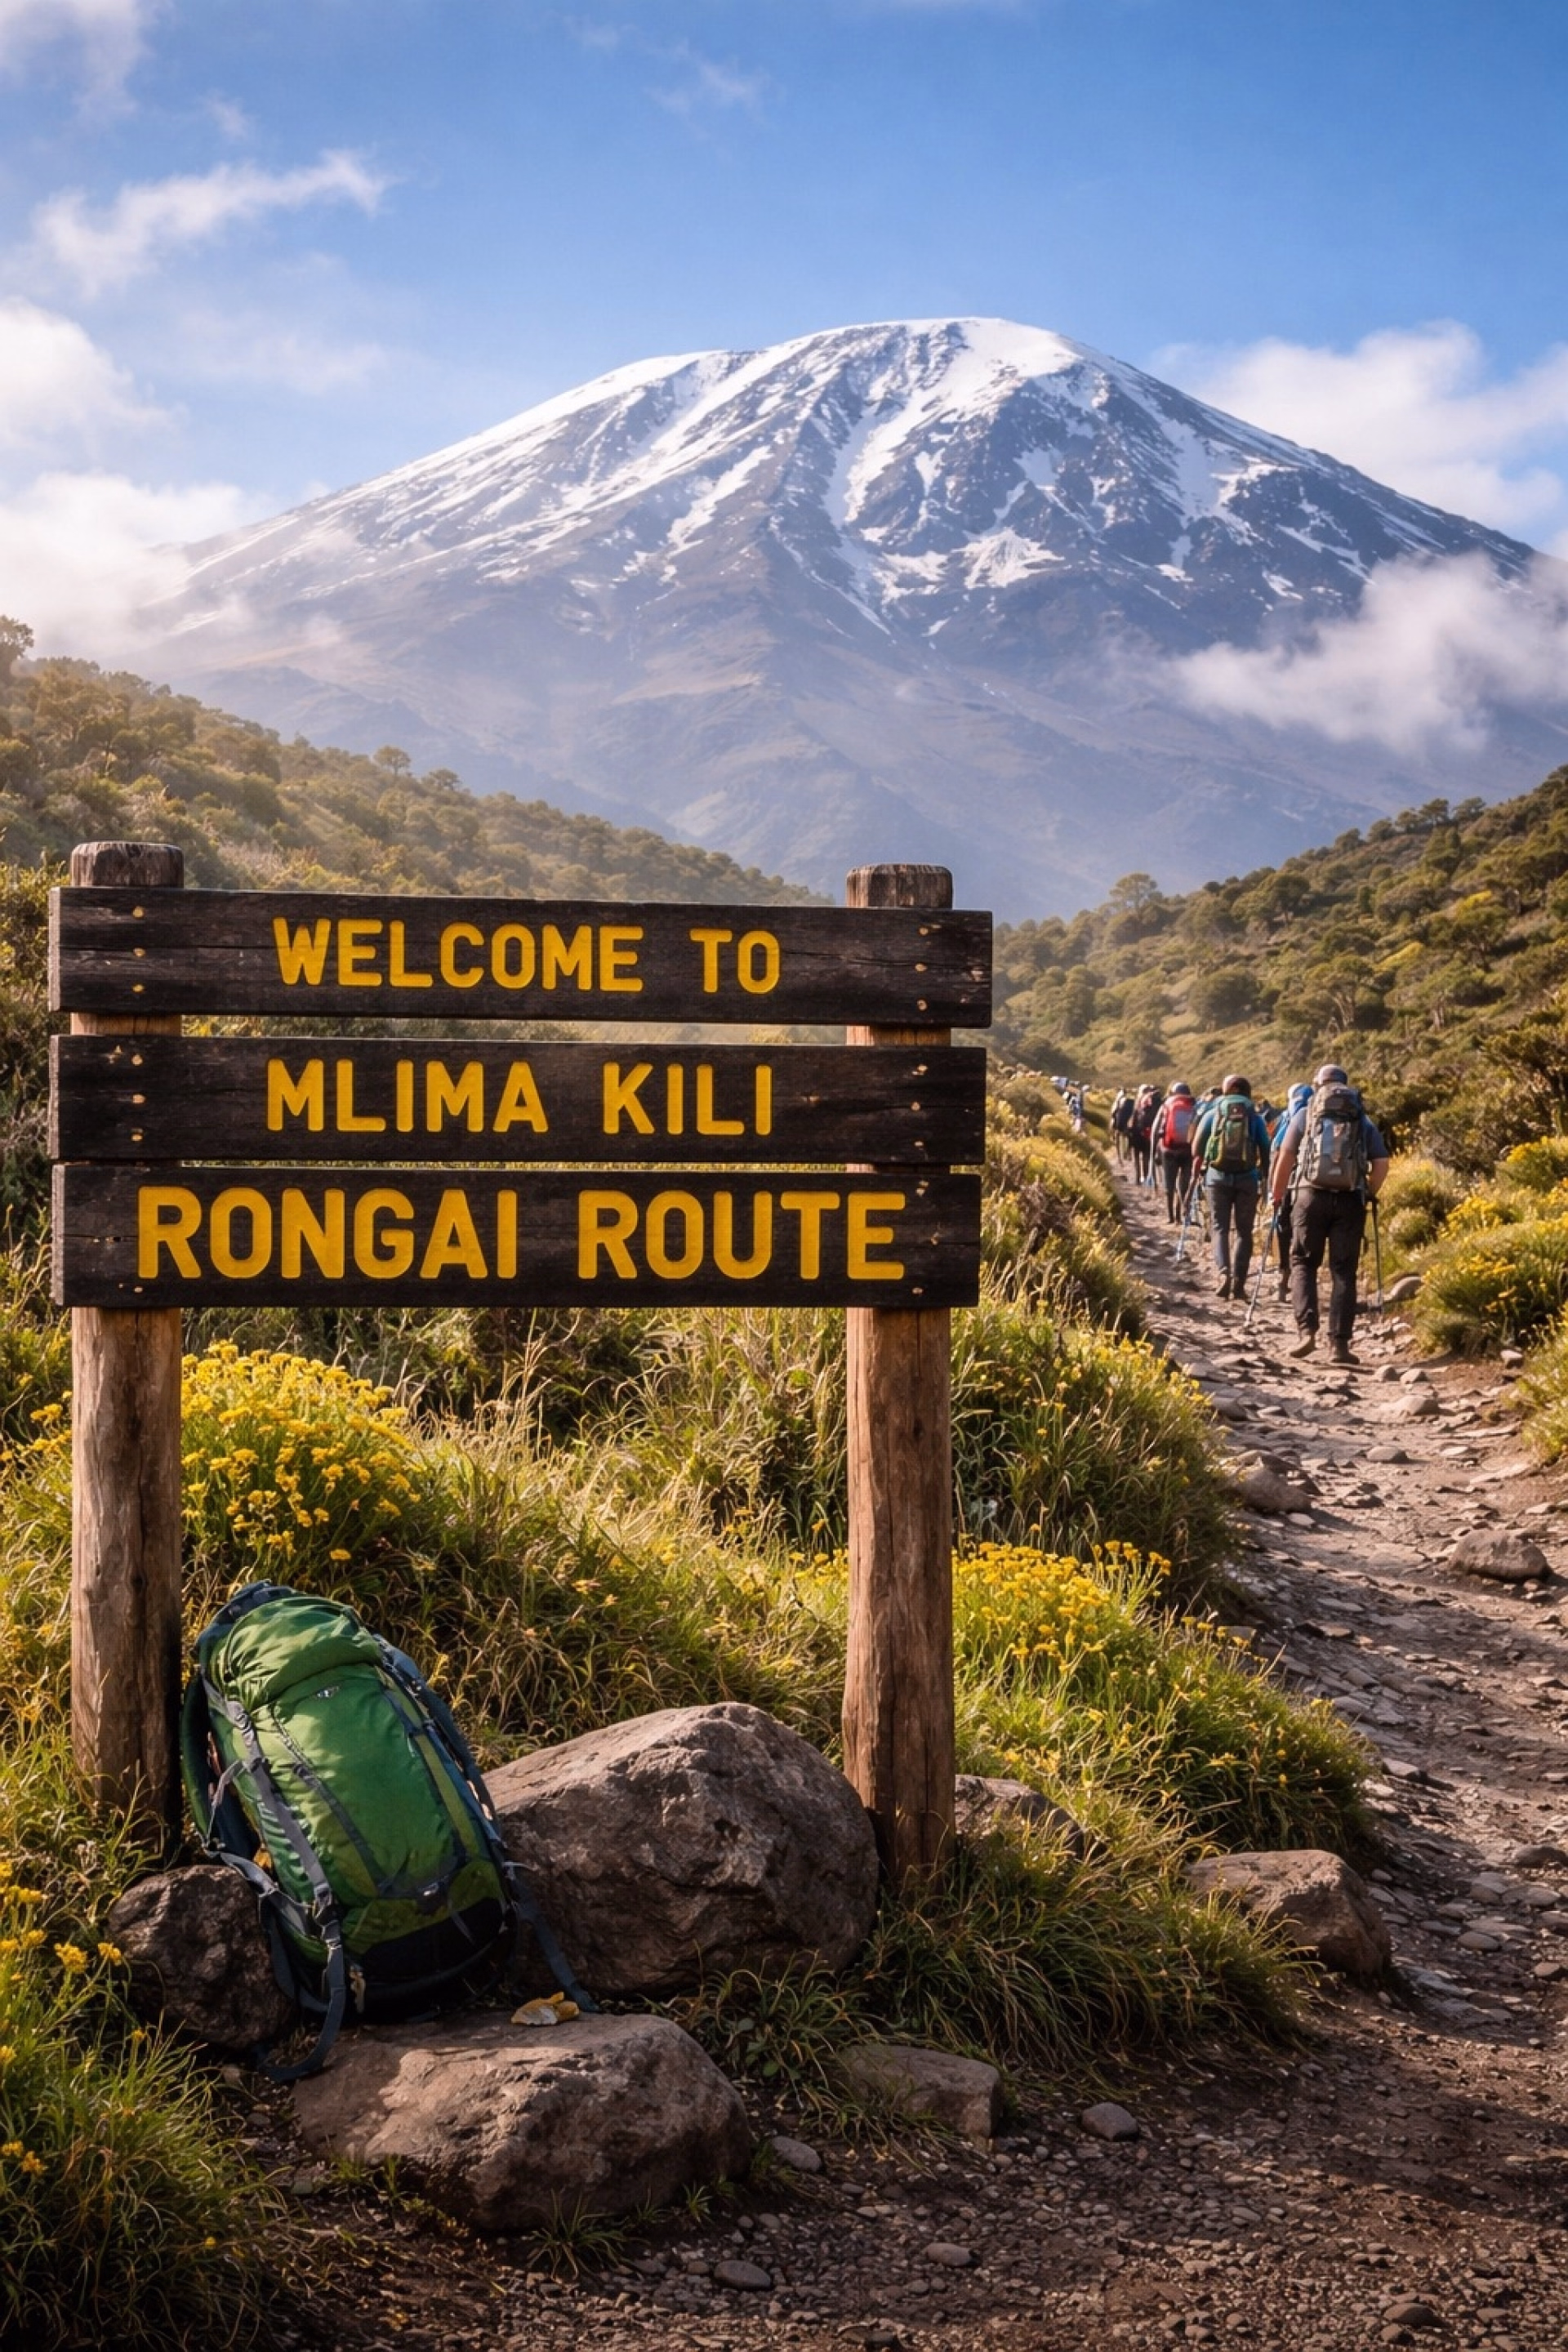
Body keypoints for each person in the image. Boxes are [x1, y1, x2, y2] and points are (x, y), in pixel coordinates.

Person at [1270, 1063, 1390, 1365]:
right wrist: (1367, 1191)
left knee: (1303, 1263)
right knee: (1343, 1271)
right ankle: (1339, 1345)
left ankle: (1306, 1332)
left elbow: (1286, 1156)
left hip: (1309, 1196)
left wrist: (1277, 1195)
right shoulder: (1360, 1117)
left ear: (1317, 1084)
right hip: (1350, 1199)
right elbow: (1381, 1162)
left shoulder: (1306, 1113)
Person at [1191, 1074, 1272, 1300]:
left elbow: (1196, 1149)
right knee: (1244, 1232)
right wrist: (1264, 1177)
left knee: (1220, 1228)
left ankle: (1223, 1273)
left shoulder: (1213, 1113)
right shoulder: (1255, 1117)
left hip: (1217, 1178)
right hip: (1248, 1179)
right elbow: (1266, 1149)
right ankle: (1239, 1284)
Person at [1266, 1082, 1313, 1302]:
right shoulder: (1316, 1114)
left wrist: (1272, 1190)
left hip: (1287, 1182)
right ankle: (1304, 1282)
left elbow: (1277, 1153)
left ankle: (1284, 1279)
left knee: (1284, 1229)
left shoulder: (1287, 1118)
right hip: (1312, 1184)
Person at [1152, 1080, 1197, 1224]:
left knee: (1169, 1183)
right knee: (1183, 1184)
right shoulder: (1194, 1104)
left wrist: (1154, 1151)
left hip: (1168, 1150)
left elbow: (1155, 1130)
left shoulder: (1166, 1104)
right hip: (1187, 1150)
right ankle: (1180, 1216)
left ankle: (1170, 1217)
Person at [1110, 1086, 1133, 1163]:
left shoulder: (1117, 1101)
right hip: (1126, 1122)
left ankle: (1119, 1156)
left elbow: (1113, 1114)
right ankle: (1128, 1152)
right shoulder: (1129, 1100)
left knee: (1117, 1137)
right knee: (1129, 1136)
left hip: (1118, 1123)